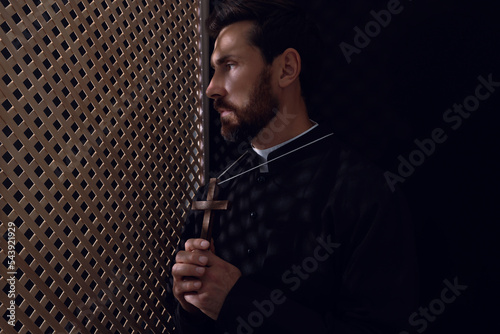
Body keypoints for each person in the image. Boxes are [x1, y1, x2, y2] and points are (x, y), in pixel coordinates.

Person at [169, 1, 419, 333]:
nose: (211, 88)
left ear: (286, 68)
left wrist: (237, 301)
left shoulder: (363, 193)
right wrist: (190, 306)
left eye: (229, 65)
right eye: (214, 69)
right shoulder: (213, 191)